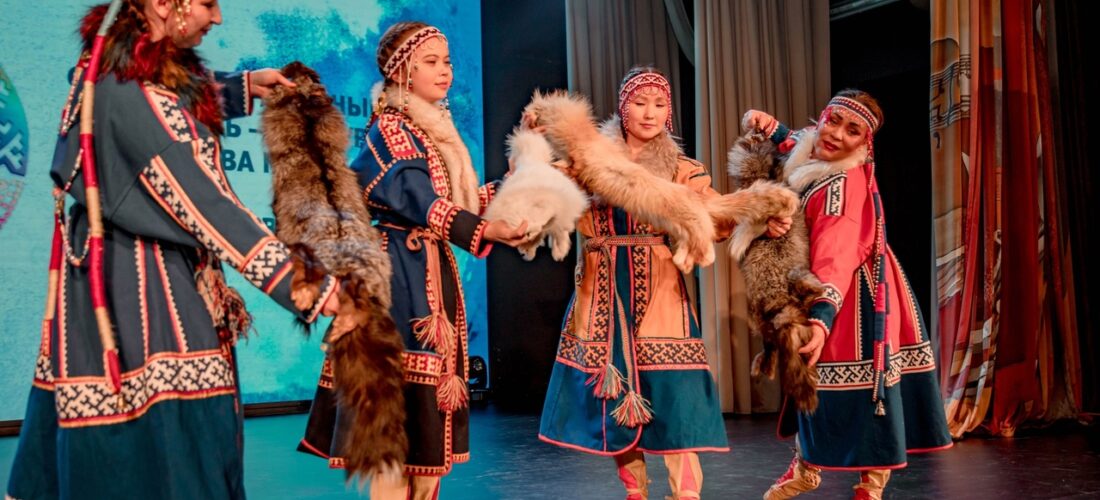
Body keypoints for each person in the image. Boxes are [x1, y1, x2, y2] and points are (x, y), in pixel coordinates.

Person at [6, 1, 339, 499]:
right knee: (164, 449)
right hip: (138, 290)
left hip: (130, 273)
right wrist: (307, 285)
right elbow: (207, 206)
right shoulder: (127, 90)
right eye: (208, 4)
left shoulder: (124, 69)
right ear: (165, 4)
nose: (217, 18)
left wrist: (243, 87)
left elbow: (174, 98)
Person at [297, 21, 528, 500]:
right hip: (397, 278)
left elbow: (457, 202)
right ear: (401, 71)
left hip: (425, 269)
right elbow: (419, 199)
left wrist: (515, 182)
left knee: (422, 438)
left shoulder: (427, 131)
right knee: (394, 426)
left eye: (447, 61)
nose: (445, 71)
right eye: (431, 62)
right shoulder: (392, 129)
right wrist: (484, 230)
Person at [536, 66, 788, 500]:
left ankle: (685, 494)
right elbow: (543, 194)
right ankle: (635, 491)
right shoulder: (589, 161)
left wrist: (760, 220)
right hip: (601, 289)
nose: (649, 113)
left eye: (659, 104)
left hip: (660, 287)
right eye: (639, 103)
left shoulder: (682, 169)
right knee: (612, 399)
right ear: (623, 107)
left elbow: (714, 214)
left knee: (677, 397)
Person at [743, 90, 953, 500]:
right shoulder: (815, 150)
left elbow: (836, 253)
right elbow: (797, 141)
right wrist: (772, 126)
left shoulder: (842, 185)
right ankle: (806, 465)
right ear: (822, 117)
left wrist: (822, 316)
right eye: (833, 120)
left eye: (852, 130)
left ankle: (869, 487)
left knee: (867, 386)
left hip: (856, 293)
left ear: (864, 142)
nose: (836, 134)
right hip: (822, 282)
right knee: (812, 380)